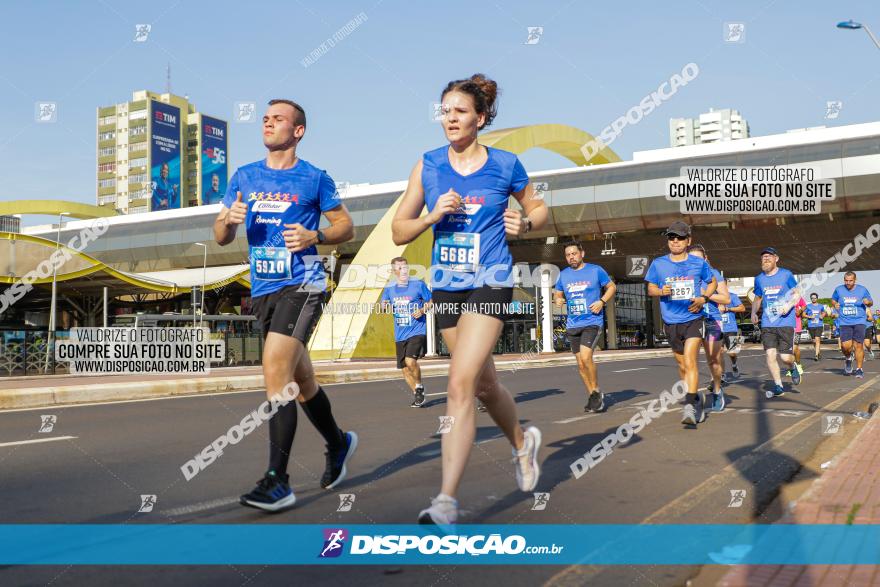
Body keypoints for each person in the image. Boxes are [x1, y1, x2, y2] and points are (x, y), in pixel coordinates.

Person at [391, 74, 549, 526]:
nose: (451, 119)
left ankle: (445, 502)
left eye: (460, 111)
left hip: (492, 277)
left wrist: (528, 222)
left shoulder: (505, 164)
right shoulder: (427, 165)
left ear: (480, 118)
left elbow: (537, 207)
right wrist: (431, 215)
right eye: (445, 111)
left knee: (459, 384)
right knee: (483, 386)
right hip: (446, 283)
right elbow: (398, 230)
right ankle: (522, 443)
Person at [213, 99, 358, 512]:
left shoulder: (314, 178)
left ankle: (278, 480)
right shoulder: (244, 176)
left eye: (278, 119)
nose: (268, 123)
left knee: (276, 371)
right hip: (264, 290)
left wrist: (317, 236)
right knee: (303, 381)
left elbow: (345, 225)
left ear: (298, 131)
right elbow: (221, 234)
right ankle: (338, 442)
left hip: (305, 285)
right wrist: (228, 221)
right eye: (265, 118)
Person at [645, 221, 716, 427]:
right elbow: (650, 289)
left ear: (688, 240)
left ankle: (689, 405)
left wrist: (703, 298)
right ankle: (696, 398)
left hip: (693, 318)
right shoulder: (658, 264)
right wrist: (661, 291)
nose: (675, 241)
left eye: (679, 238)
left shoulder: (698, 263)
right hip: (671, 321)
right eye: (671, 238)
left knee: (691, 360)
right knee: (682, 365)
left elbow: (711, 282)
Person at [553, 240, 616, 413]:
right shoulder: (564, 275)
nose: (571, 257)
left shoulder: (595, 270)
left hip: (592, 322)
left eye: (574, 253)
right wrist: (558, 299)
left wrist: (601, 301)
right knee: (580, 364)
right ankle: (593, 395)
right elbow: (557, 292)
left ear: (582, 253)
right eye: (568, 255)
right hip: (573, 324)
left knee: (587, 356)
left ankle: (596, 391)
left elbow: (611, 287)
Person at [380, 257, 432, 407]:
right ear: (394, 271)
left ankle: (420, 386)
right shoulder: (389, 288)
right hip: (400, 334)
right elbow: (384, 303)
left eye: (405, 267)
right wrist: (384, 305)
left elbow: (431, 300)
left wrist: (422, 310)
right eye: (399, 268)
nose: (403, 270)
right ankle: (418, 394)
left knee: (410, 361)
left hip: (417, 330)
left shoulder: (418, 284)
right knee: (404, 369)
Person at [685, 244, 730, 412]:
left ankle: (717, 390)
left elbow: (726, 299)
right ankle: (693, 397)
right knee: (689, 361)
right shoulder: (685, 275)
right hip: (690, 320)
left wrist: (705, 293)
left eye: (698, 258)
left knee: (713, 359)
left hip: (711, 320)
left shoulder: (714, 274)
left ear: (705, 259)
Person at [752, 247, 801, 398]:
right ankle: (778, 385)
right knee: (770, 355)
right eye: (763, 257)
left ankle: (792, 367)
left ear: (776, 259)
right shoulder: (759, 278)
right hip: (768, 322)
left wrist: (789, 305)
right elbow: (758, 298)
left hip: (786, 321)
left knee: (785, 357)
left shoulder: (786, 274)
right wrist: (754, 312)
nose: (765, 259)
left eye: (769, 256)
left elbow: (797, 293)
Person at [831, 271, 873, 378]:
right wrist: (835, 304)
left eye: (850, 281)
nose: (848, 283)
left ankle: (859, 369)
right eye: (846, 280)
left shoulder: (862, 289)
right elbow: (833, 300)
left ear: (855, 280)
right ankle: (848, 358)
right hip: (844, 321)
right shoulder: (839, 289)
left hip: (859, 321)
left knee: (858, 345)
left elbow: (871, 302)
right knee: (846, 346)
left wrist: (867, 302)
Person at [718, 291, 746, 379]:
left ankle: (734, 365)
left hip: (731, 328)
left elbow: (742, 308)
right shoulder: (712, 297)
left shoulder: (732, 296)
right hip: (717, 328)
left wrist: (728, 309)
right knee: (719, 352)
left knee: (732, 353)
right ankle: (722, 374)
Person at [804, 293, 826, 361]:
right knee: (813, 341)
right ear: (811, 299)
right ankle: (818, 352)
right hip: (811, 325)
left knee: (817, 339)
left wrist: (822, 316)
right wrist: (809, 316)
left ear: (817, 298)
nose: (813, 299)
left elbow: (824, 312)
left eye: (815, 298)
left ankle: (816, 355)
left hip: (819, 324)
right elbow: (803, 314)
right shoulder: (808, 306)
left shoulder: (821, 306)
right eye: (812, 298)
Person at [791, 296, 807, 377]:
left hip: (796, 327)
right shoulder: (781, 297)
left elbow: (804, 305)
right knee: (787, 350)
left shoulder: (797, 297)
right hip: (785, 327)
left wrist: (800, 311)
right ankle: (792, 368)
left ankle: (798, 364)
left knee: (795, 348)